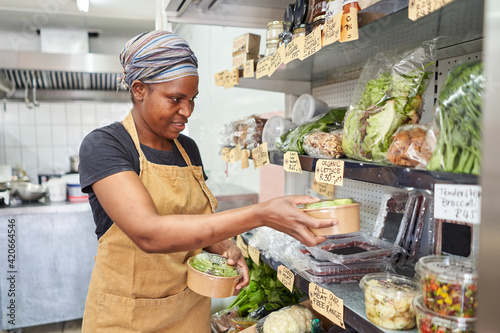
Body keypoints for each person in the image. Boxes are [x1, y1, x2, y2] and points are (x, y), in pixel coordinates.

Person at [79, 30, 335, 332]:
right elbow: (150, 233)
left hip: (188, 313)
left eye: (192, 99)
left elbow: (198, 219)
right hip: (128, 317)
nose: (187, 111)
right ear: (138, 89)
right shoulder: (105, 145)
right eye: (175, 99)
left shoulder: (187, 149)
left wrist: (226, 247)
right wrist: (262, 213)